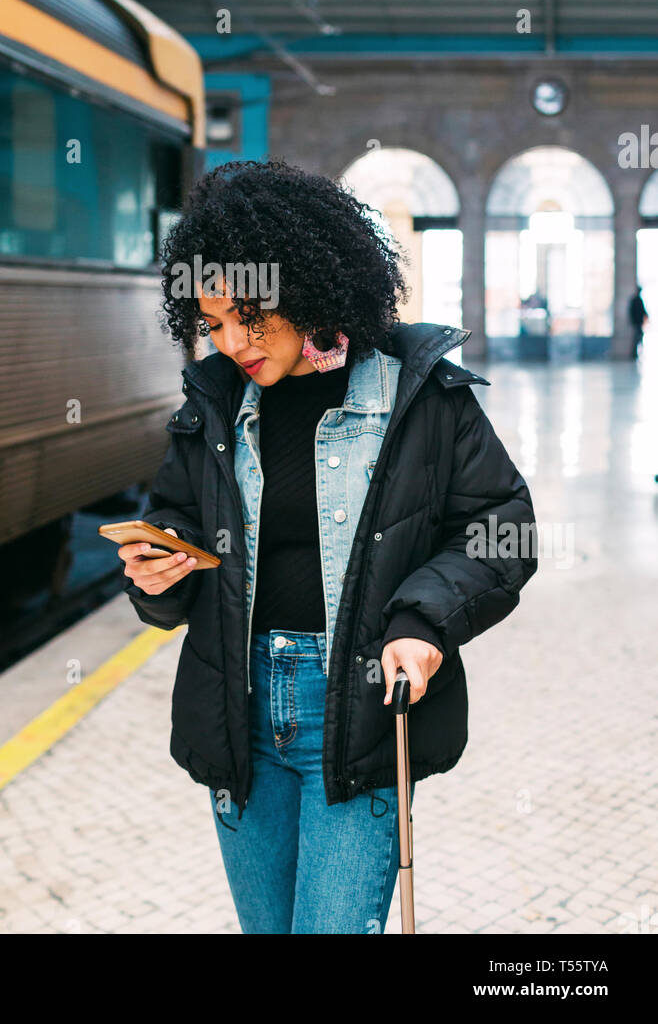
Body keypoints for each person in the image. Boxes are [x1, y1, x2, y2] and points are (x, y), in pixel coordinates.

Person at [119, 159, 537, 935]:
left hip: (357, 714)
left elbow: (501, 527)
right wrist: (157, 574)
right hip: (239, 717)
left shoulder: (418, 395)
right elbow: (176, 547)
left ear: (306, 287)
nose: (233, 341)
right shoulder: (211, 407)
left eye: (250, 315)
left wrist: (420, 621)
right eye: (213, 324)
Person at [627, 285, 649, 360]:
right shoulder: (636, 300)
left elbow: (643, 311)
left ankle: (636, 353)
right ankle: (634, 354)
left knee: (638, 337)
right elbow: (632, 312)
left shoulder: (638, 300)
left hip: (638, 322)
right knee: (637, 338)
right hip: (637, 322)